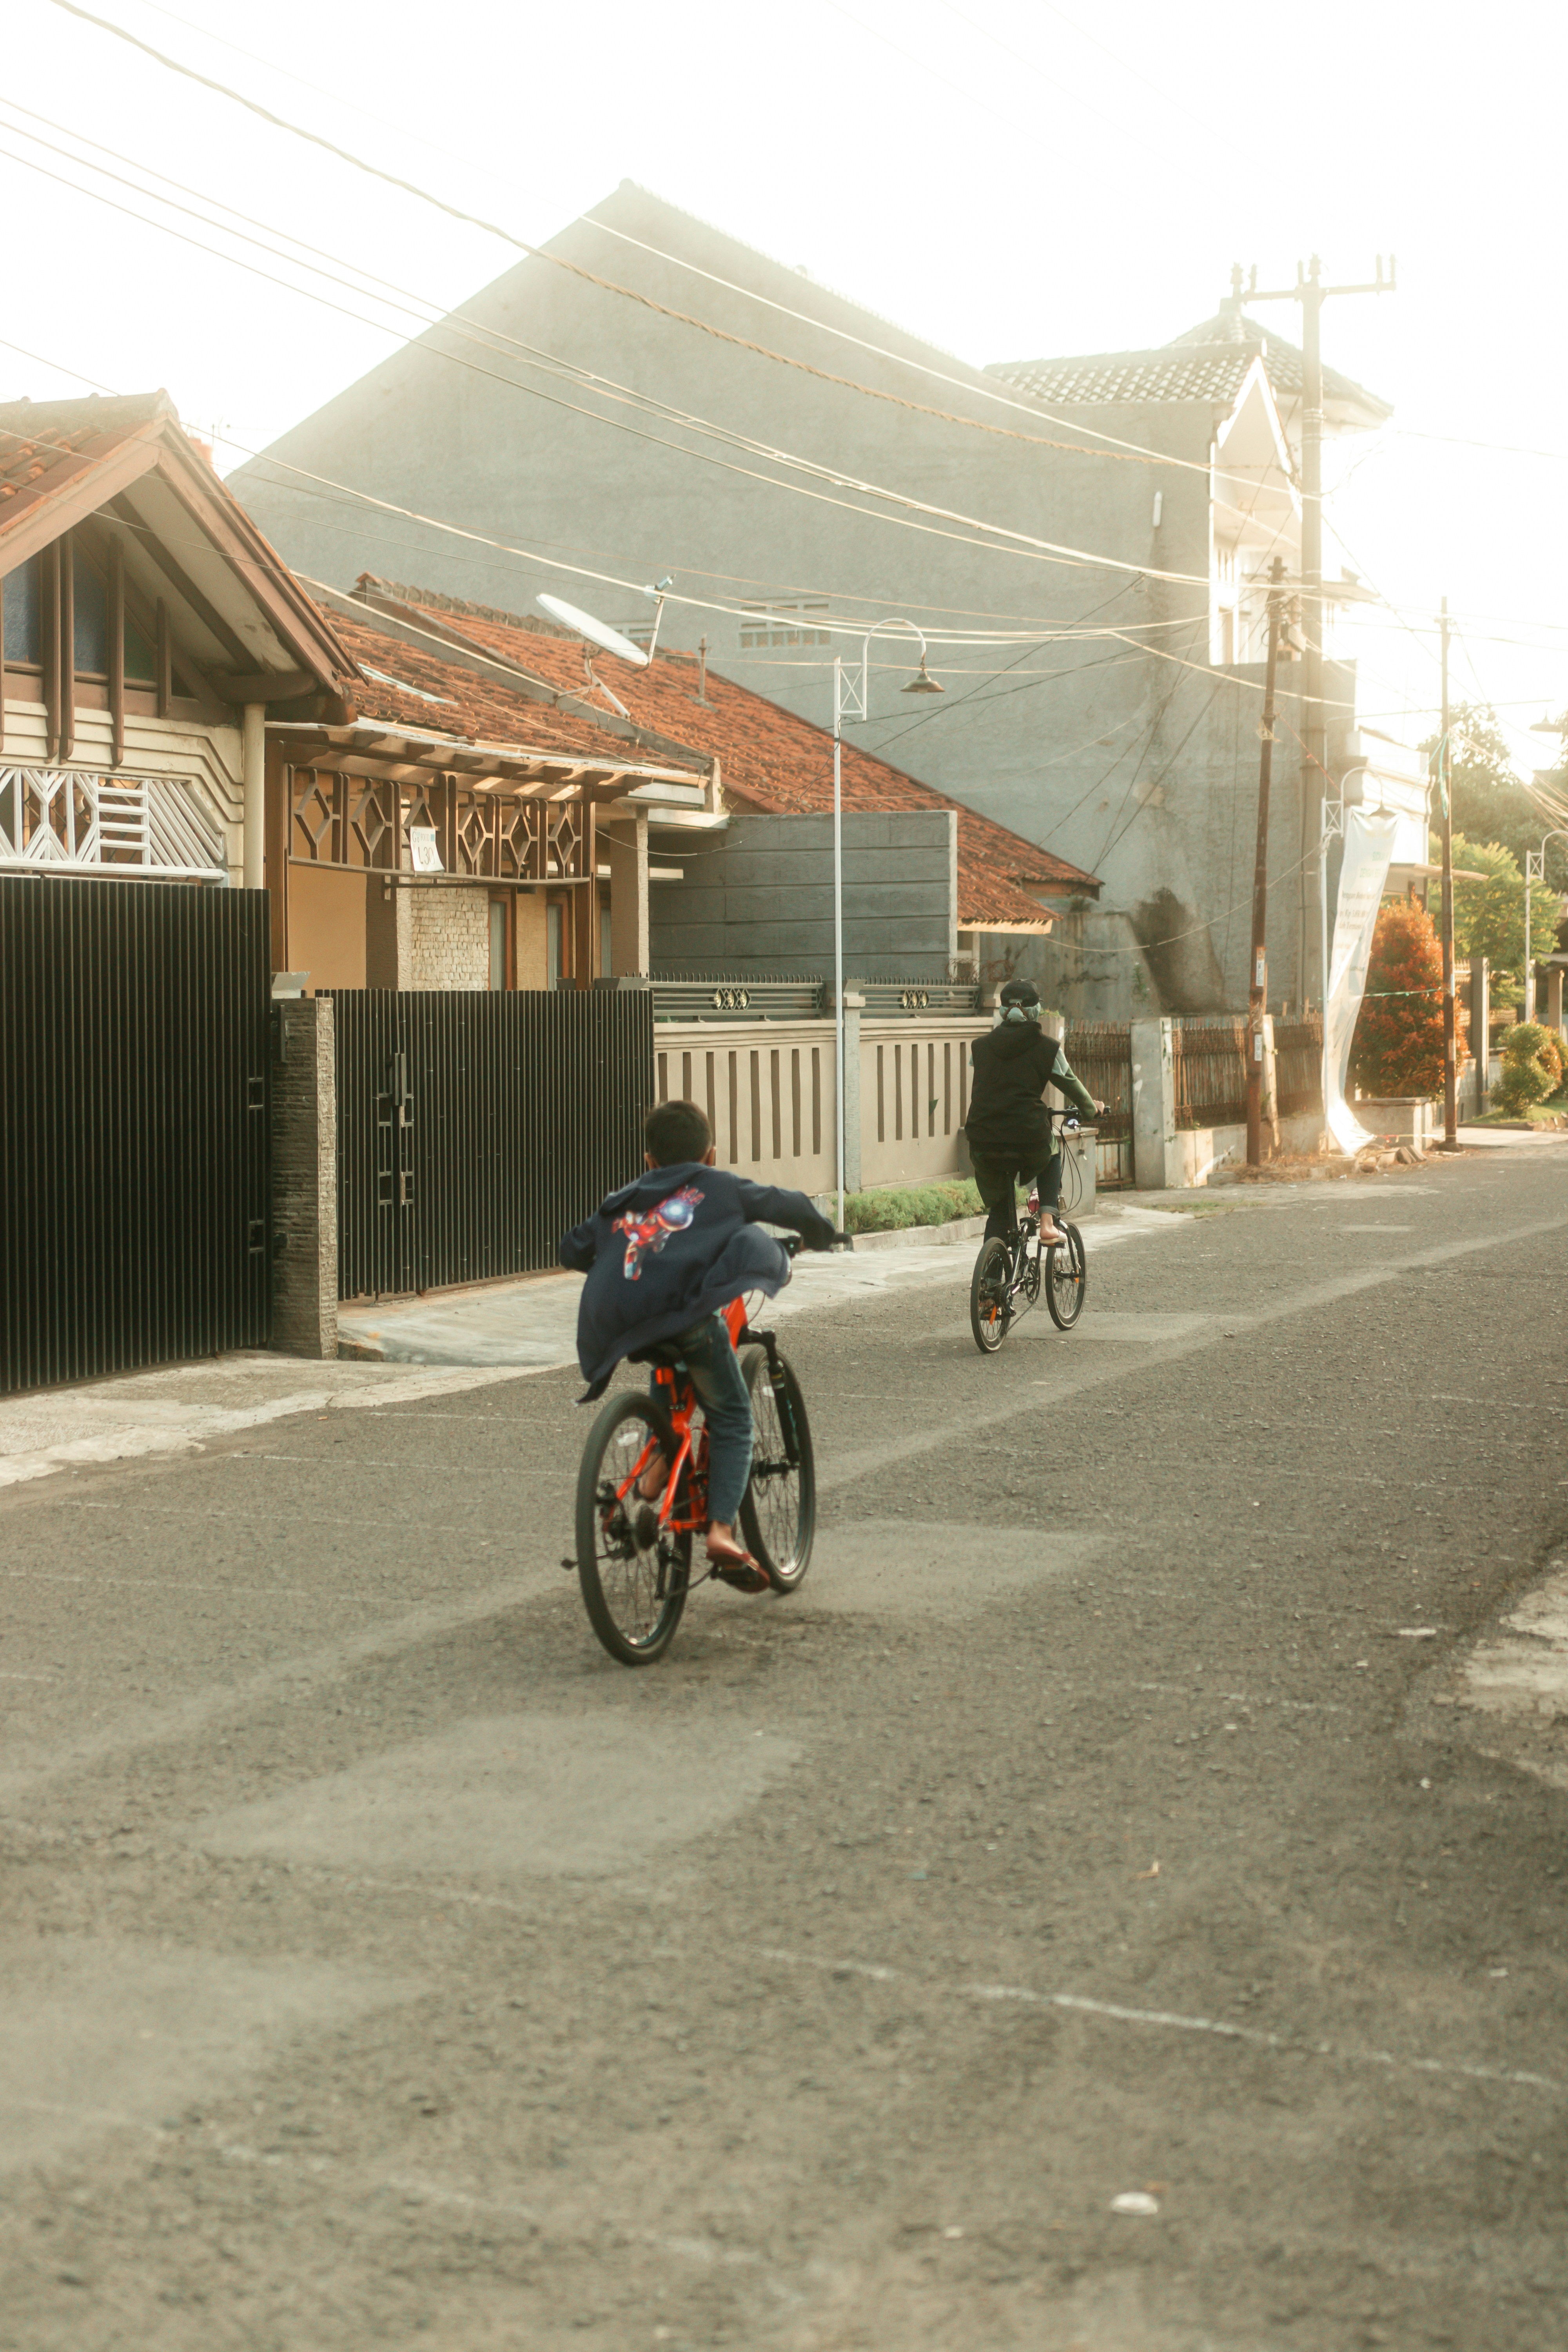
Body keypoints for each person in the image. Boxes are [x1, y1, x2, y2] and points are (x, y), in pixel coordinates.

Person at [559, 1098, 836, 1591]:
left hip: (628, 1321)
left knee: (667, 1373)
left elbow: (572, 1249)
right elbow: (785, 1204)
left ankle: (651, 1472)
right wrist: (822, 1233)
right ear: (711, 1156)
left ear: (649, 1161)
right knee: (731, 1416)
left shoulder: (622, 1198)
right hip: (688, 1321)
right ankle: (723, 1532)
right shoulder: (720, 1186)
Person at [964, 978, 1102, 1248]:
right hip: (1026, 1135)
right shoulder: (1047, 1048)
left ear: (1003, 1011)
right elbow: (1071, 1084)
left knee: (1000, 1212)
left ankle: (990, 1280)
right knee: (1051, 1152)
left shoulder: (979, 1048)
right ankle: (1048, 1225)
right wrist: (1091, 1109)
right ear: (1036, 1010)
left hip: (982, 1139)